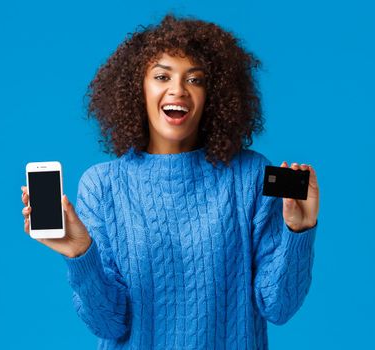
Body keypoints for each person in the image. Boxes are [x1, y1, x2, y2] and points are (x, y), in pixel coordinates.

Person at [20, 13, 320, 350]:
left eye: (195, 80)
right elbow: (108, 322)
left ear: (214, 94)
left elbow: (277, 307)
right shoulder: (101, 185)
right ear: (139, 88)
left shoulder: (251, 176)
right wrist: (80, 254)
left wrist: (299, 232)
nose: (177, 90)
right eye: (162, 76)